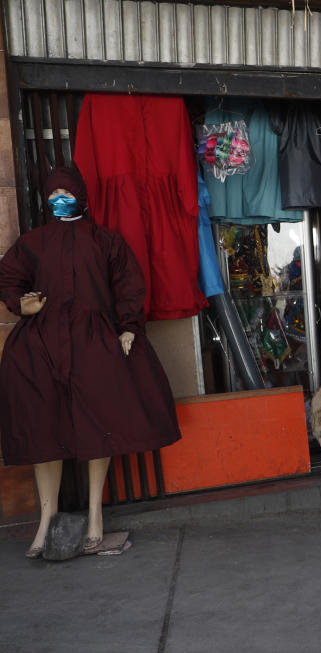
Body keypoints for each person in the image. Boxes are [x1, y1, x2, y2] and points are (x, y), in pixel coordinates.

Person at [0, 167, 182, 558]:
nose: (58, 199)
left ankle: (96, 516)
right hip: (41, 346)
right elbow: (9, 277)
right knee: (41, 432)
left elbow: (129, 286)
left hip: (93, 343)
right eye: (53, 194)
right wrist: (20, 303)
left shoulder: (105, 242)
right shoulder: (33, 242)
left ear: (81, 194)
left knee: (99, 426)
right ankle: (46, 522)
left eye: (66, 192)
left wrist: (129, 326)